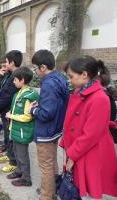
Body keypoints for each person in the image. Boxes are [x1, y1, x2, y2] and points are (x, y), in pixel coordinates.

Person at [60, 56, 117, 199]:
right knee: (77, 187)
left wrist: (72, 155)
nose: (69, 80)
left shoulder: (99, 98)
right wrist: (66, 147)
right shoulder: (79, 92)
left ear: (84, 75)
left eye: (71, 76)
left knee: (88, 190)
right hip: (77, 148)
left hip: (89, 151)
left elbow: (91, 134)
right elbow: (70, 123)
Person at [29, 50, 69, 200]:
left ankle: (46, 196)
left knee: (45, 166)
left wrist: (33, 110)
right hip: (56, 129)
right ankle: (53, 189)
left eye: (35, 68)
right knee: (51, 162)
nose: (35, 71)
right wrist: (40, 104)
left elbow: (46, 113)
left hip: (46, 131)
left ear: (43, 67)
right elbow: (56, 104)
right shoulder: (60, 78)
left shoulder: (48, 83)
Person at [5, 67, 39, 187]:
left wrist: (11, 116)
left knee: (22, 156)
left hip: (22, 132)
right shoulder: (18, 93)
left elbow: (27, 117)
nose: (13, 81)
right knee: (16, 152)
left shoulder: (29, 96)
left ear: (22, 80)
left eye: (15, 79)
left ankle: (26, 178)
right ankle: (19, 171)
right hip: (15, 130)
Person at [0, 50, 22, 173]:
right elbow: (3, 90)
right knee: (6, 133)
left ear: (12, 62)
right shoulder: (10, 74)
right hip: (5, 110)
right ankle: (9, 154)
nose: (5, 65)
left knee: (11, 135)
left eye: (6, 62)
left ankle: (13, 161)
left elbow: (8, 95)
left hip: (9, 110)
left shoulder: (17, 76)